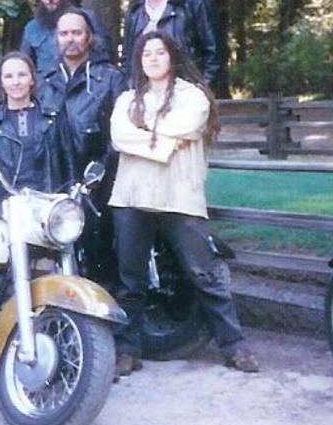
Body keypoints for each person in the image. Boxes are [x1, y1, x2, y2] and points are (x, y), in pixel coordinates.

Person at [109, 31, 258, 377]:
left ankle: (233, 345)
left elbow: (187, 124)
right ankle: (127, 350)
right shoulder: (127, 99)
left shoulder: (194, 98)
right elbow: (120, 136)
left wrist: (144, 134)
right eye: (147, 54)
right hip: (131, 197)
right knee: (131, 279)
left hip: (180, 196)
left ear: (173, 57)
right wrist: (164, 141)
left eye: (160, 52)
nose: (153, 59)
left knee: (204, 273)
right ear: (138, 61)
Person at [40, 8, 125, 282]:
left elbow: (121, 131)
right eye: (64, 33)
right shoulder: (44, 80)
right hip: (54, 177)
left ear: (89, 37)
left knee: (99, 250)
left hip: (99, 178)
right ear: (56, 38)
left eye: (77, 32)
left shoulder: (111, 78)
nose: (70, 39)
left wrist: (102, 169)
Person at [0, 52, 65, 209]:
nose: (15, 82)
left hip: (47, 205)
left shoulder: (52, 117)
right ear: (1, 82)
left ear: (32, 79)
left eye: (22, 75)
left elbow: (67, 164)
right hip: (4, 205)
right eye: (9, 76)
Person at [19, 0, 111, 73]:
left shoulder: (87, 18)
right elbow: (24, 65)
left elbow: (104, 54)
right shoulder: (32, 28)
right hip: (46, 86)